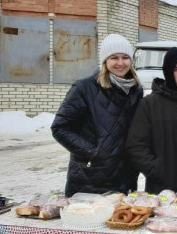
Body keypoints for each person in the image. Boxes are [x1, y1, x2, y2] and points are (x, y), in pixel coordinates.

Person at [51, 34, 143, 196]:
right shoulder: (85, 88)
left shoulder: (135, 90)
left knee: (121, 220)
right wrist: (93, 152)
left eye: (125, 57)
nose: (120, 63)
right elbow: (60, 127)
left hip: (125, 175)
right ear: (105, 61)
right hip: (90, 176)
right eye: (114, 57)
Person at [125, 47, 177, 201]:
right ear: (168, 71)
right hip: (161, 191)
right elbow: (136, 145)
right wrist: (156, 169)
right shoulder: (150, 104)